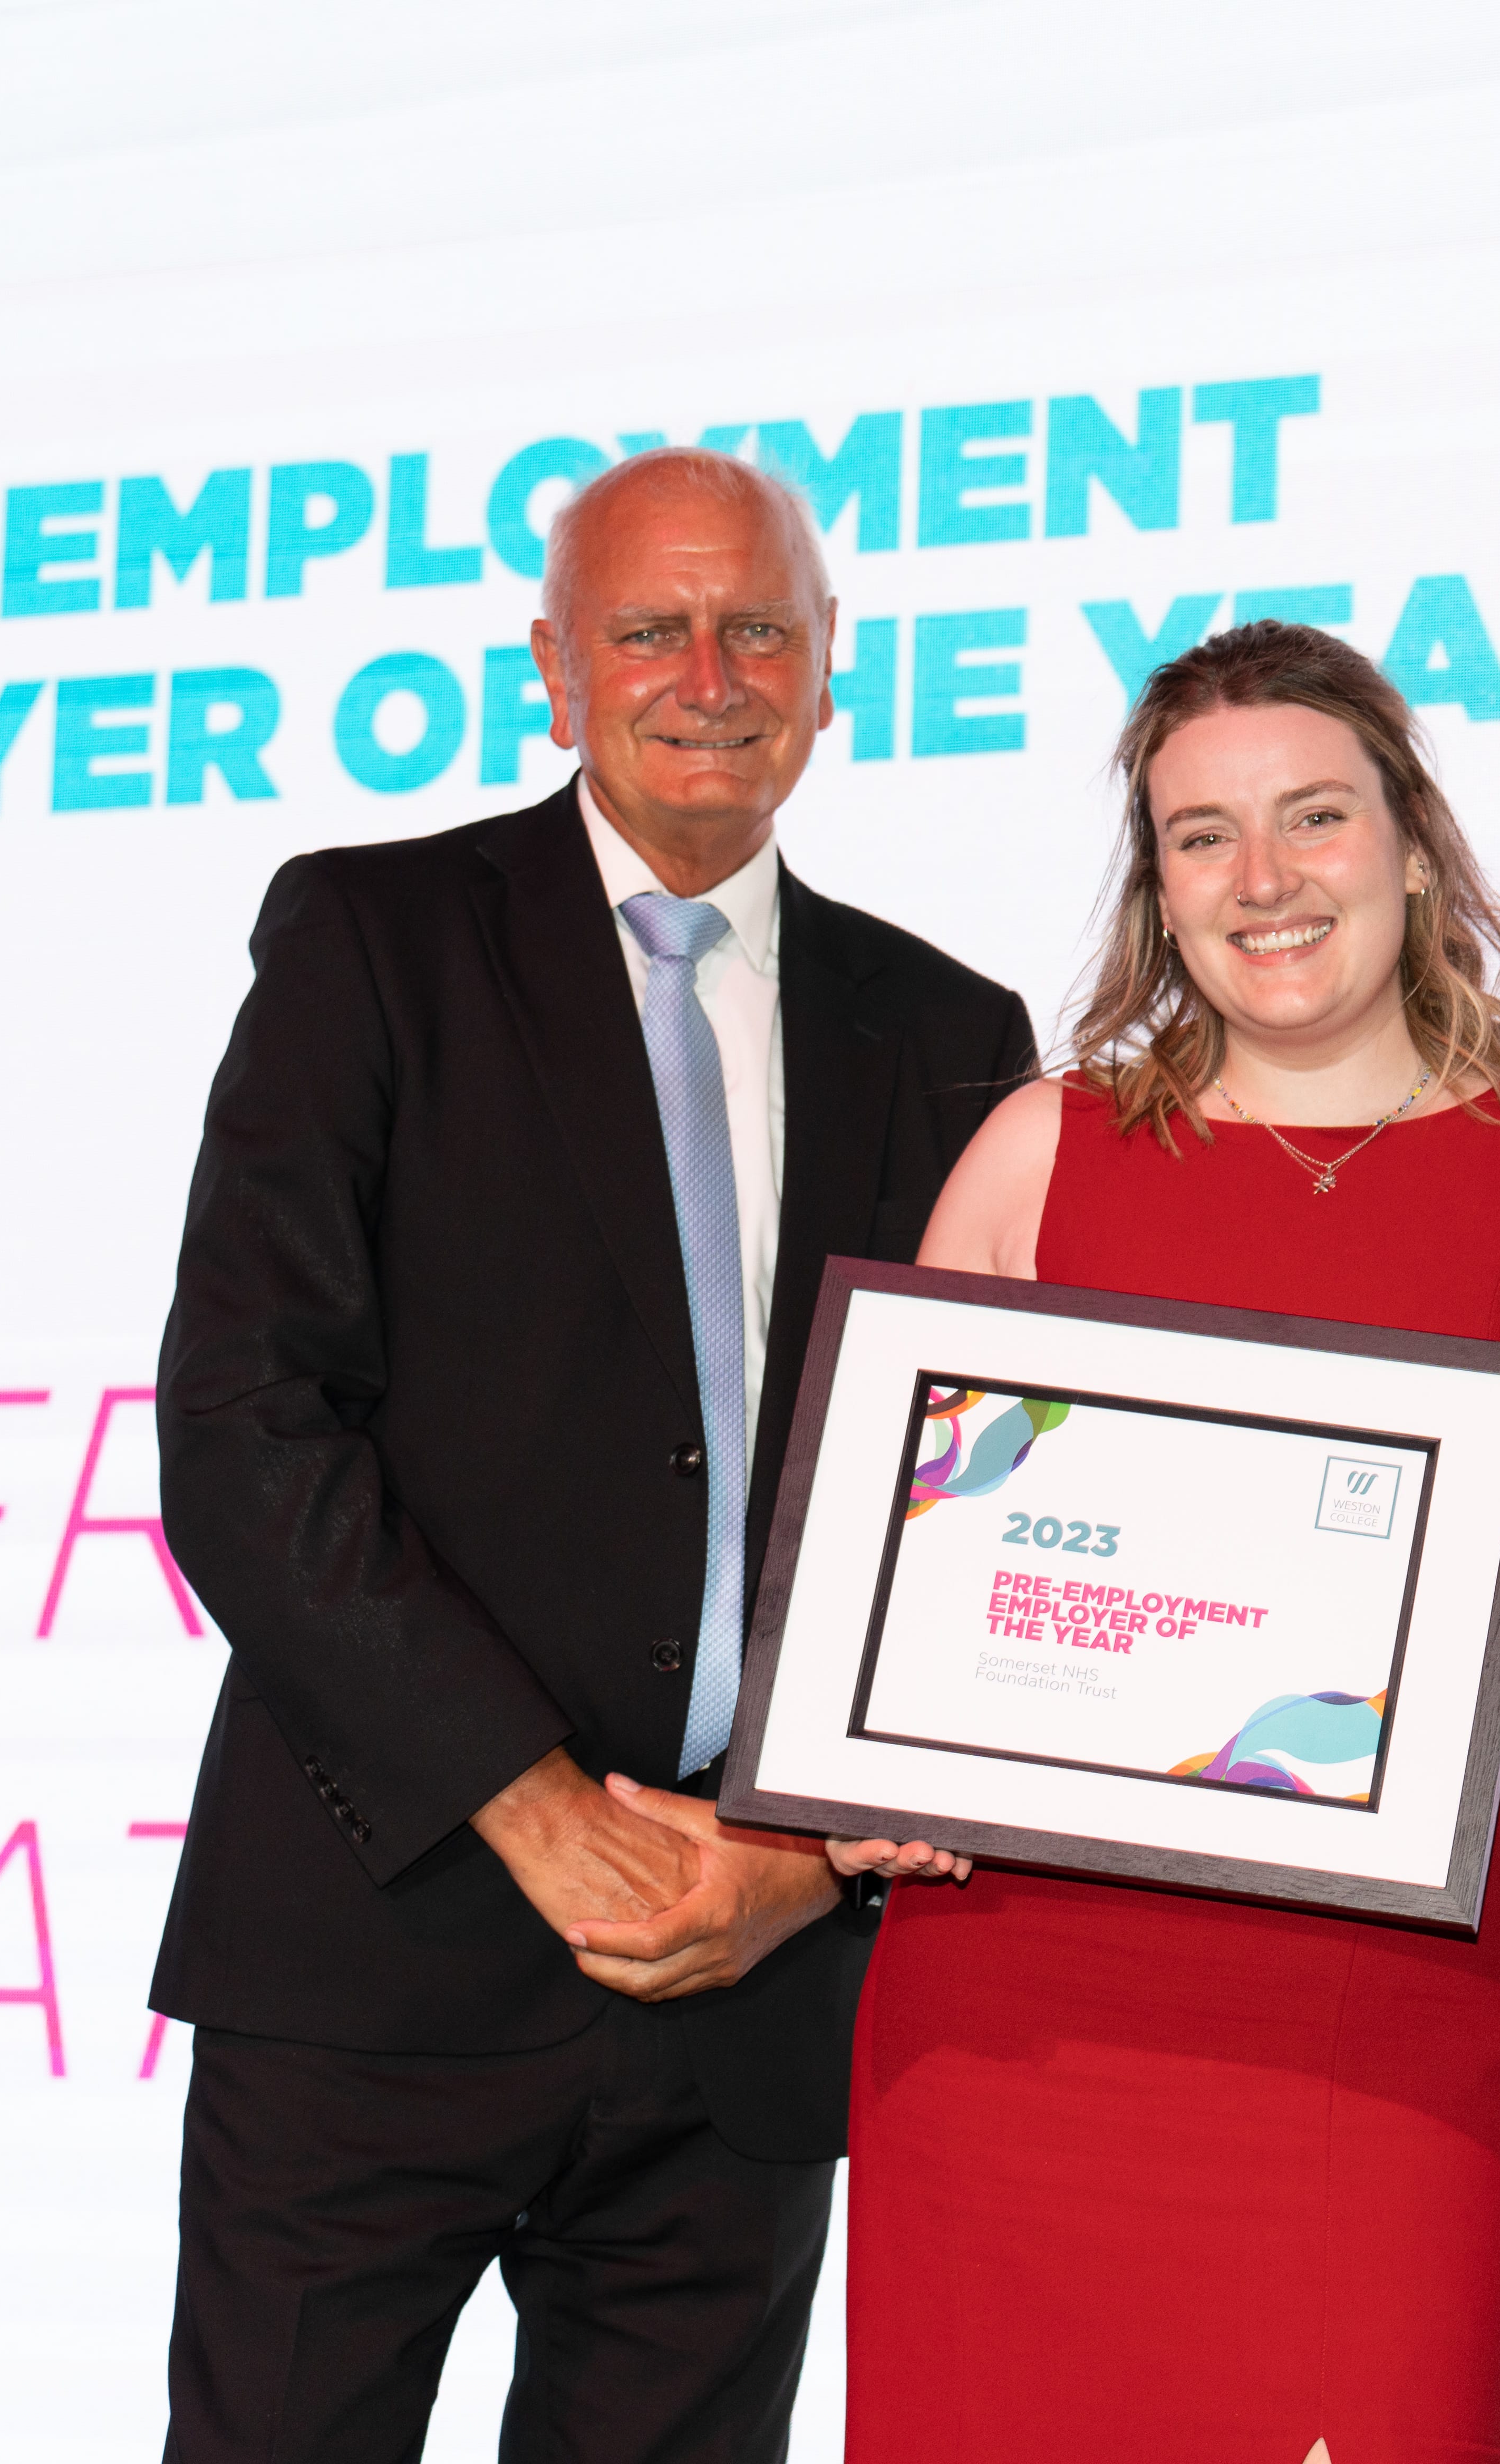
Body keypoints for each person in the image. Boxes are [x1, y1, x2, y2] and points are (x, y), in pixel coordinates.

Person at [149, 447, 1035, 2461]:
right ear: (555, 671)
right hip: (380, 1958)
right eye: (649, 628)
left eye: (758, 631)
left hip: (751, 2004)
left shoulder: (957, 1035)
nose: (706, 672)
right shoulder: (371, 939)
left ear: (832, 674)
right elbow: (244, 1429)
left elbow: (971, 1526)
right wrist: (538, 1811)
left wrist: (794, 1864)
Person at [830, 620, 1500, 2462]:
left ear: (1414, 844)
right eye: (1204, 837)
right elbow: (899, 1607)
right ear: (1159, 889)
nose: (1264, 881)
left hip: (1399, 2049)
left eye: (1315, 819)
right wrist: (869, 1771)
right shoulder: (1044, 1155)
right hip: (1020, 2032)